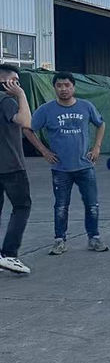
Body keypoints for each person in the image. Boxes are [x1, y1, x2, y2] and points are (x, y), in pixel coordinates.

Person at [26, 72, 108, 255]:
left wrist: (97, 147)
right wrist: (44, 151)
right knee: (61, 206)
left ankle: (94, 238)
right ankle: (59, 240)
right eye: (59, 86)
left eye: (67, 85)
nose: (63, 89)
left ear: (73, 87)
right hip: (60, 168)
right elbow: (29, 130)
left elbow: (101, 124)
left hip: (85, 166)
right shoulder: (46, 110)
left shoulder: (86, 106)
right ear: (54, 88)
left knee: (92, 205)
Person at [0, 64, 33, 274]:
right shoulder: (6, 101)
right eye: (15, 82)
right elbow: (26, 121)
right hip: (10, 165)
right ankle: (9, 254)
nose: (18, 85)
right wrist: (21, 95)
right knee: (22, 206)